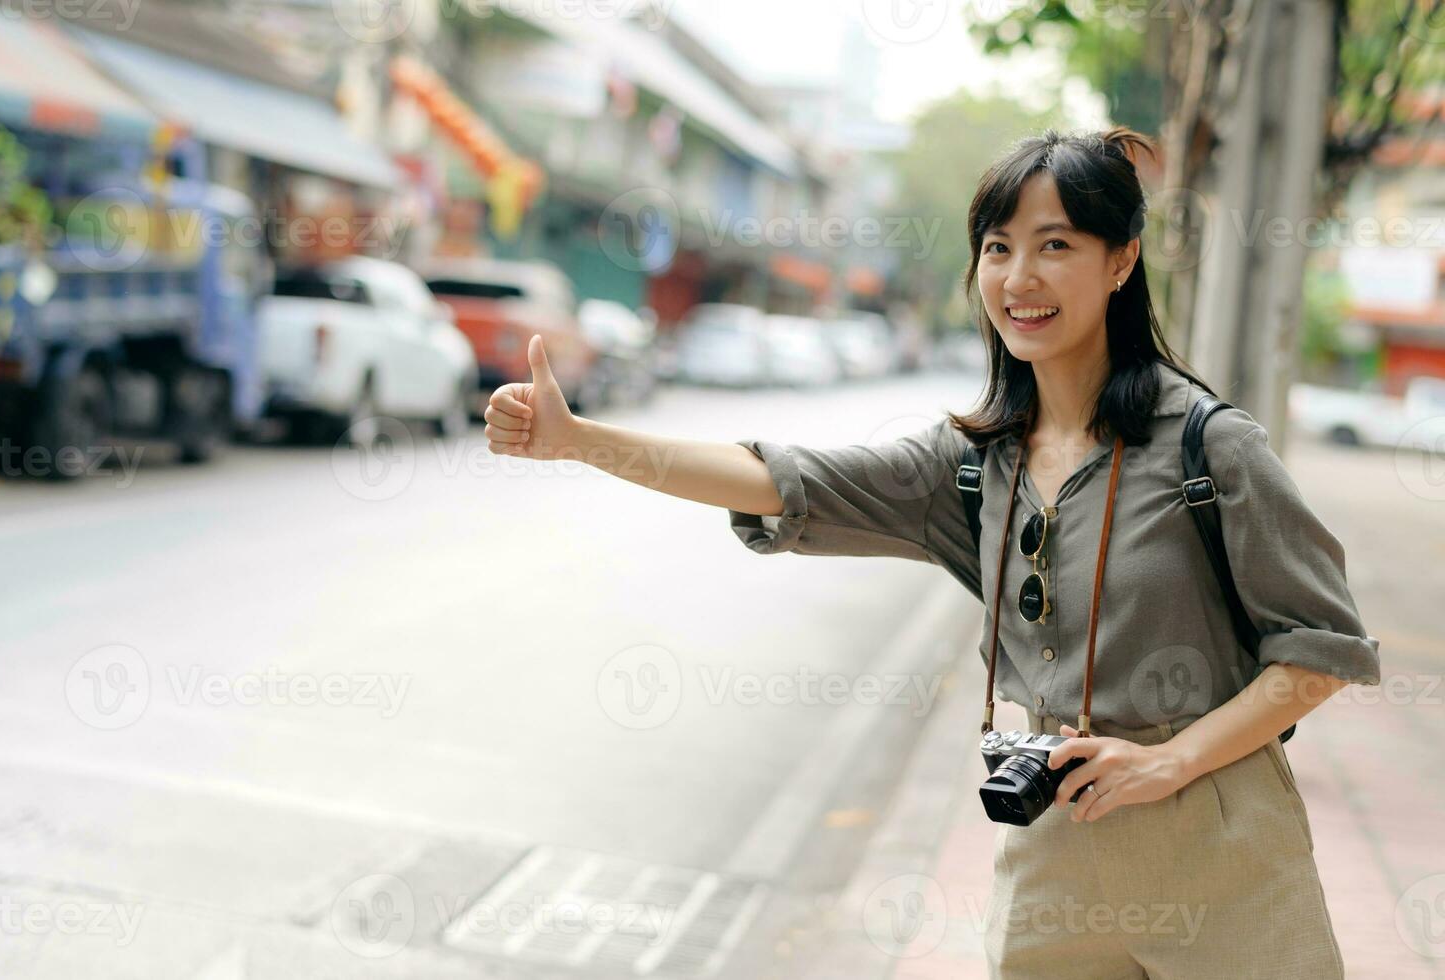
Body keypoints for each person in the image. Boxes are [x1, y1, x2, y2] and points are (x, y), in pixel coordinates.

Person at [481, 127, 1381, 979]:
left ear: (1121, 260)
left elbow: (1320, 648)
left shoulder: (1210, 448)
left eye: (1055, 244)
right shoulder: (970, 465)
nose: (1019, 276)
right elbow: (776, 480)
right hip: (1055, 838)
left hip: (1220, 836)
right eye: (996, 247)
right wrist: (582, 441)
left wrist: (1171, 761)